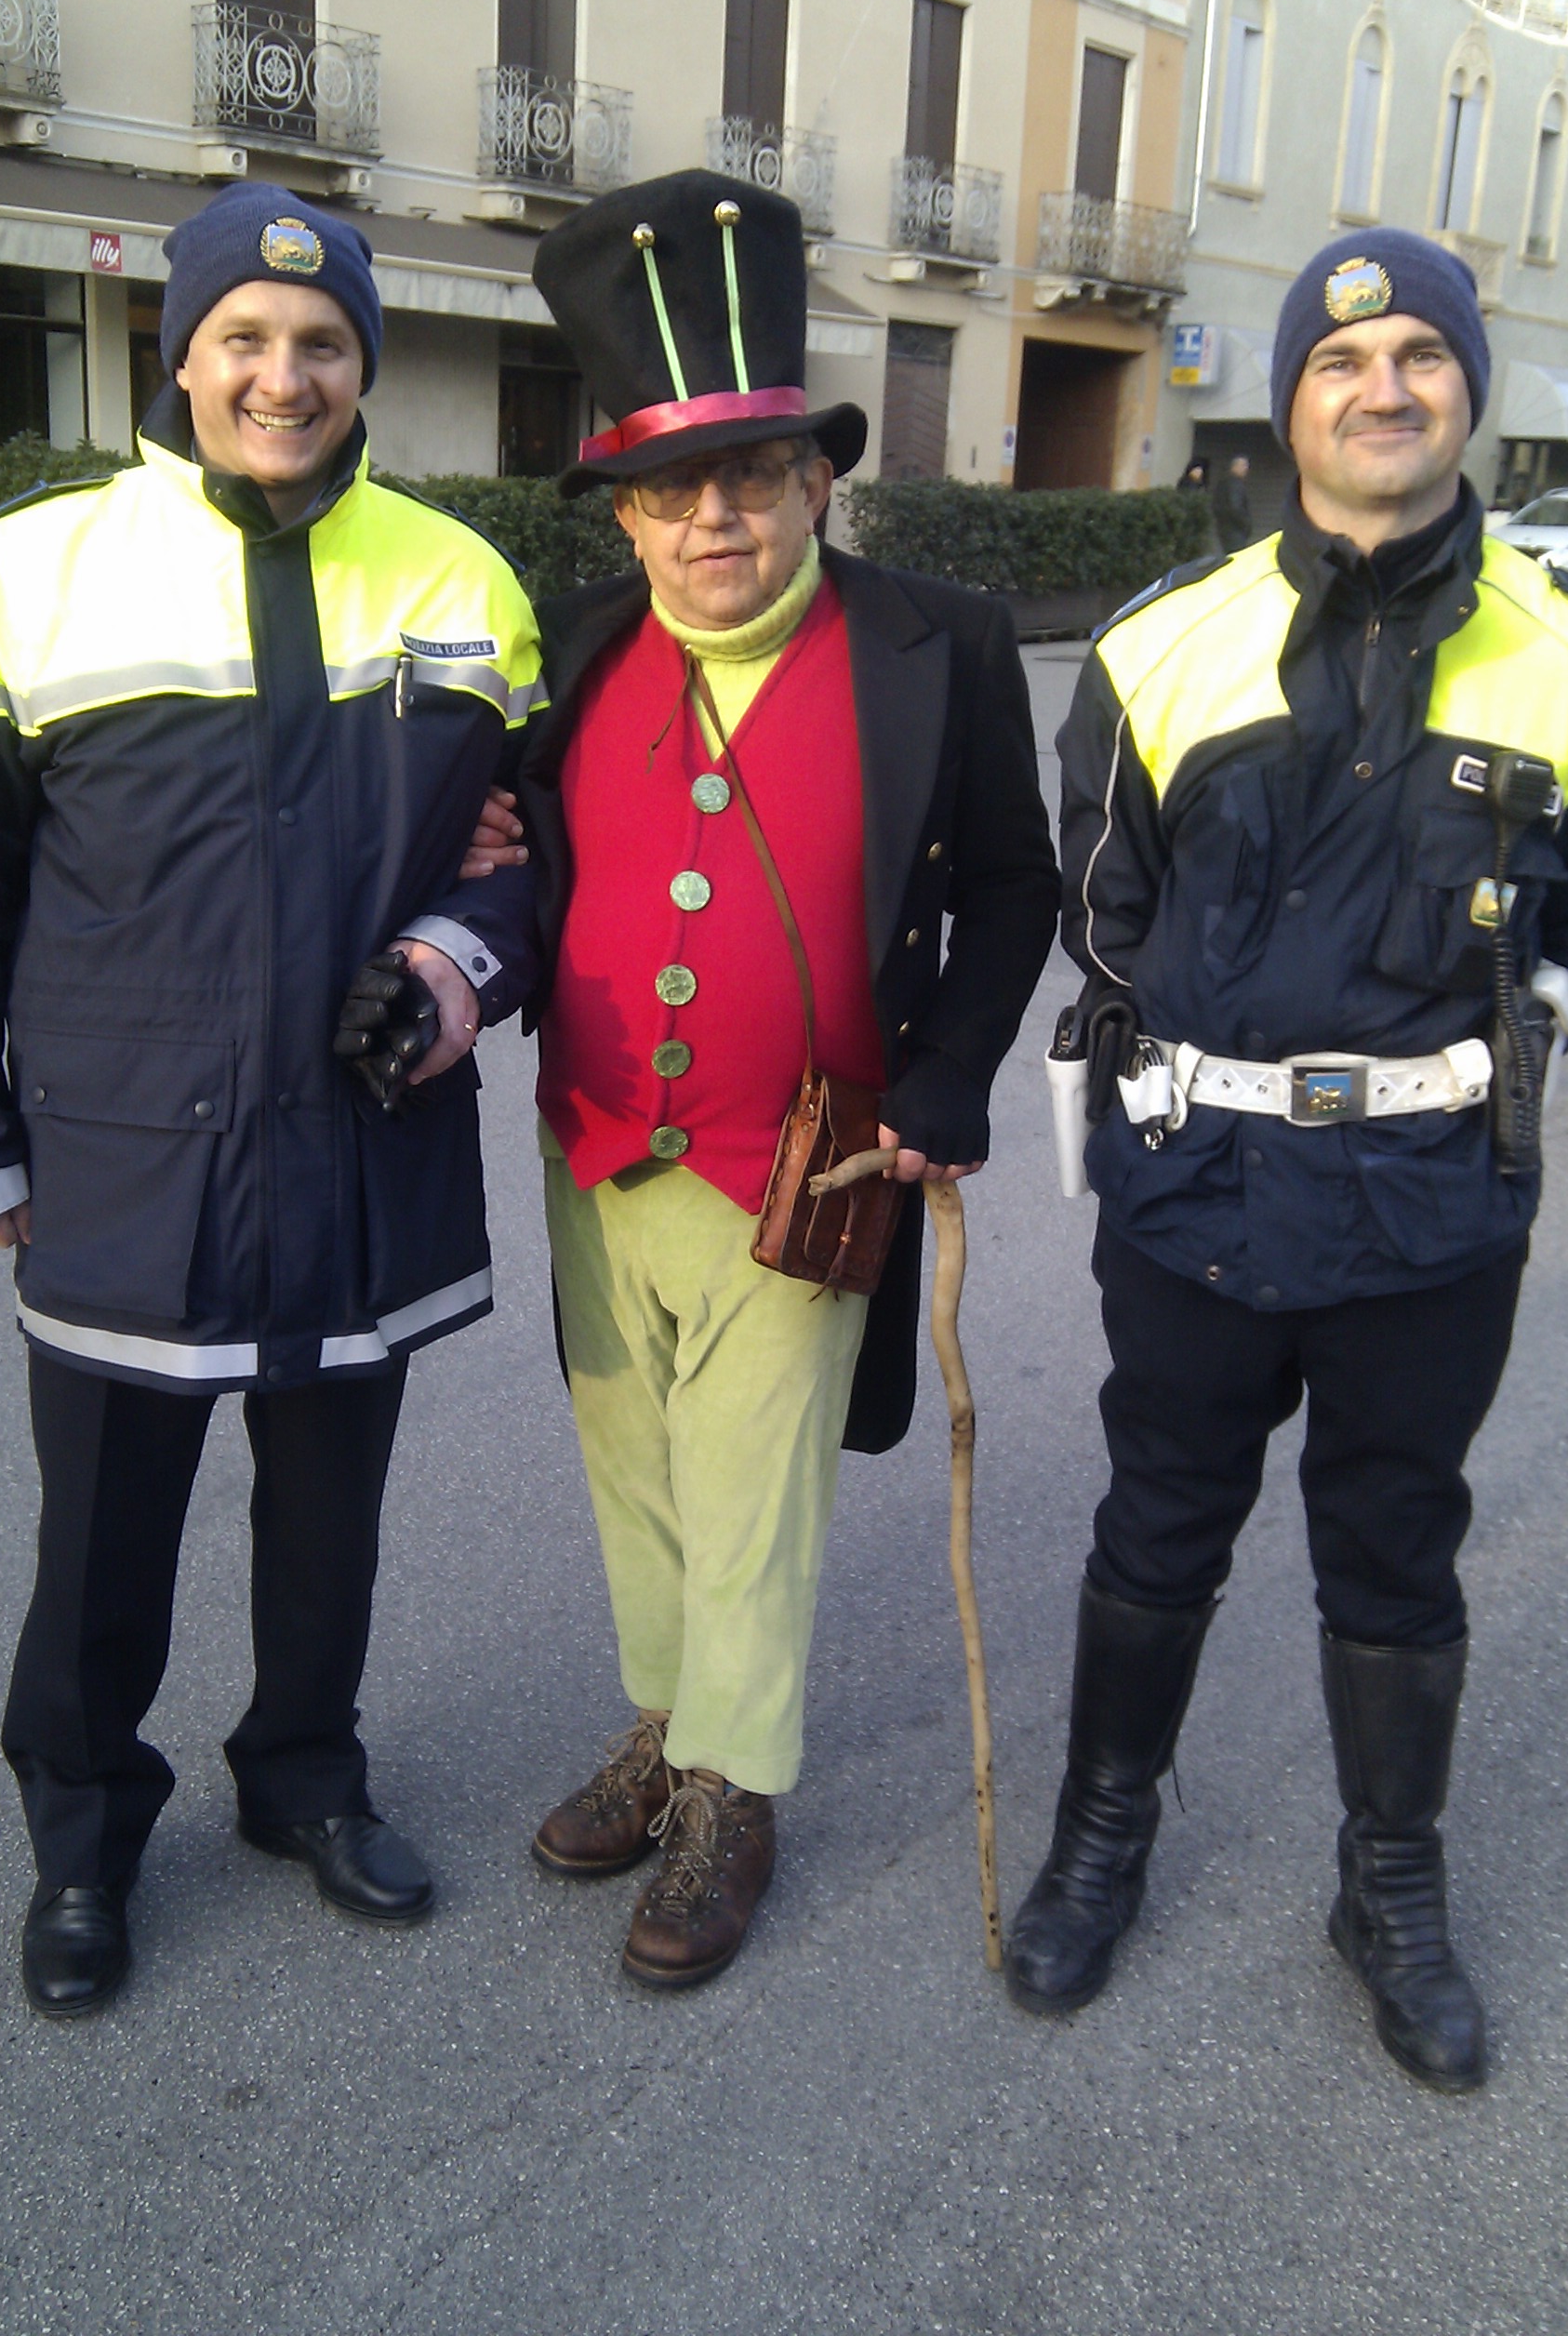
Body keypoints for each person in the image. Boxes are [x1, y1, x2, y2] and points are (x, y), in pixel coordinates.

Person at [0, 184, 542, 2016]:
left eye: (323, 343)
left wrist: (452, 965)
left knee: (331, 1514)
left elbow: (528, 855)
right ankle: (83, 1833)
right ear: (179, 356)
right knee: (101, 1530)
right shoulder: (32, 567)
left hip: (362, 1135)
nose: (284, 372)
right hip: (123, 1154)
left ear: (366, 367)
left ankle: (305, 1779)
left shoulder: (458, 577)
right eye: (245, 337)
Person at [1010, 226, 1568, 2089]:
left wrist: (1526, 1018)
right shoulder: (1158, 644)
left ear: (1466, 393)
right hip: (1196, 1197)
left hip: (1435, 1210)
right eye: (1343, 364)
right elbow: (1103, 899)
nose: (1385, 390)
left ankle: (1391, 1883)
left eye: (1422, 362)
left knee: (1394, 1549)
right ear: (1290, 401)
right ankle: (1102, 1834)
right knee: (1158, 1528)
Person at [515, 171, 1058, 1989]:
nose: (712, 515)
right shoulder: (579, 651)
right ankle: (671, 1724)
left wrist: (954, 1068)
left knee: (754, 1487)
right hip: (593, 1146)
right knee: (638, 1479)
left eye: (752, 472)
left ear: (819, 478)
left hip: (806, 1163)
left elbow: (1009, 884)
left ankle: (734, 1791)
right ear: (632, 515)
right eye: (670, 487)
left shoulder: (938, 646)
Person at [1213, 451, 1254, 551]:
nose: (1246, 469)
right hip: (1235, 531)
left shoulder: (1223, 483)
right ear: (1235, 467)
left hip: (1224, 529)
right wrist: (1245, 524)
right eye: (1243, 466)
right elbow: (1235, 507)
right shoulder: (1235, 485)